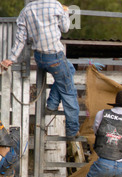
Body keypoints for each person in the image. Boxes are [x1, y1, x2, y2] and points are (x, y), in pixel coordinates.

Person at [0, 0, 80, 139]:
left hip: (39, 57)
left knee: (70, 71)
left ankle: (52, 103)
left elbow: (21, 38)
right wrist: (66, 12)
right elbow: (65, 28)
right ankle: (72, 130)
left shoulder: (26, 9)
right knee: (69, 91)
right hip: (54, 55)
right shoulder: (55, 5)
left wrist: (11, 58)